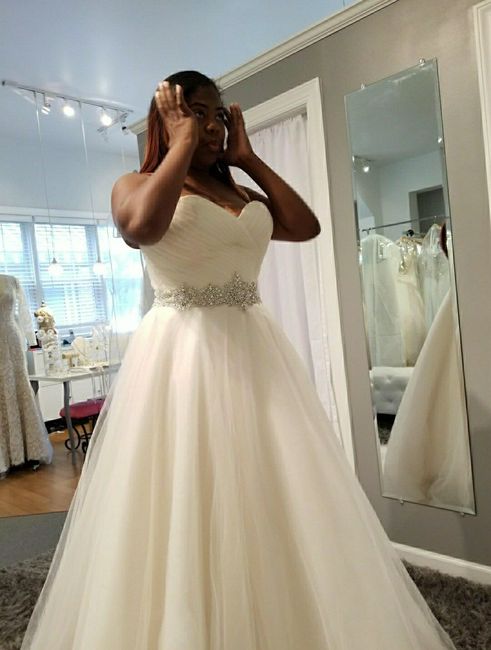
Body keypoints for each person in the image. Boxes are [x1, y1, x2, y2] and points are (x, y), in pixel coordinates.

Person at [22, 71, 455, 649]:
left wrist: (247, 159)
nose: (210, 126)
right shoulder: (135, 185)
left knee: (273, 487)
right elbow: (142, 227)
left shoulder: (242, 195)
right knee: (187, 495)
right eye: (195, 113)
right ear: (167, 120)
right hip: (182, 359)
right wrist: (180, 146)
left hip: (256, 352)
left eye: (217, 115)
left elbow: (304, 225)